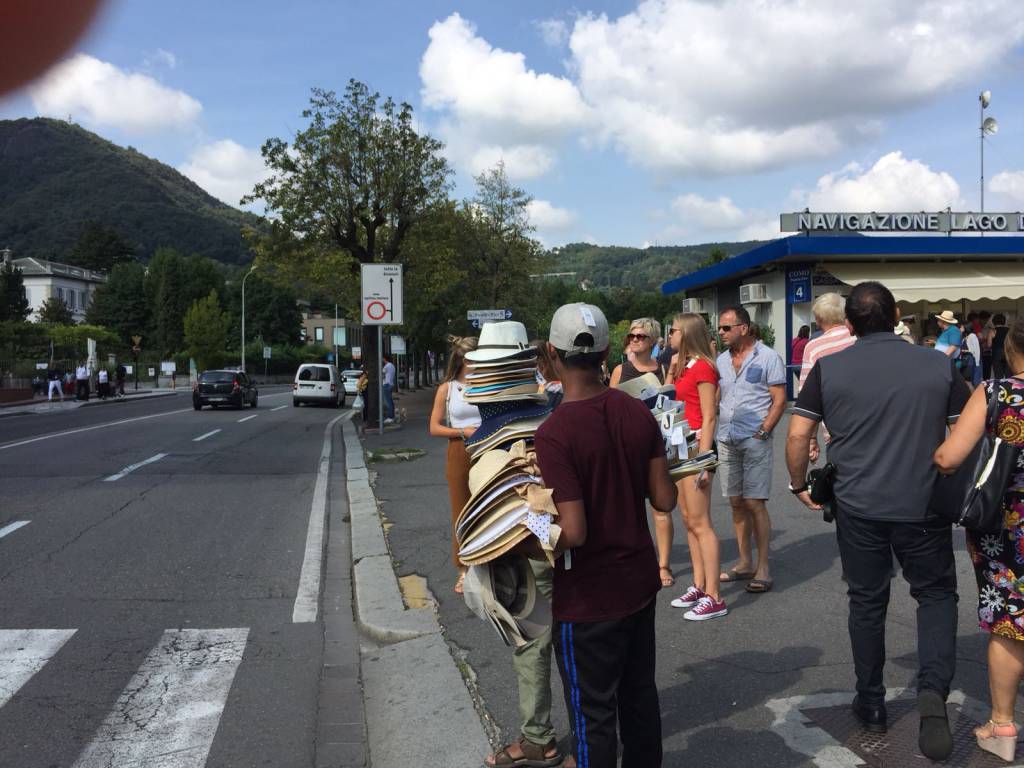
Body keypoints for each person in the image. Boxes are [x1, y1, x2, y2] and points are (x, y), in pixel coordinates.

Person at [787, 281, 970, 762]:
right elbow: (964, 430)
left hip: (858, 503)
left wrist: (798, 484)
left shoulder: (829, 366)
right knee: (934, 594)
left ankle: (870, 702)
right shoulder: (938, 363)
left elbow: (798, 432)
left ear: (850, 324)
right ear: (897, 317)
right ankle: (933, 694)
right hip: (924, 501)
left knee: (866, 601)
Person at [535, 302, 677, 768]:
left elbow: (572, 531)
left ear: (552, 356)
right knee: (640, 698)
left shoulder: (554, 432)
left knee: (593, 714)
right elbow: (665, 499)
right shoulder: (636, 412)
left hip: (588, 599)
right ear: (607, 351)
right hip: (637, 582)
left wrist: (528, 525)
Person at [934, 318, 1024, 762]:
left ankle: (1002, 724)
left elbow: (950, 457)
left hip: (1007, 527)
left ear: (1011, 344)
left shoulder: (997, 393)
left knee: (1010, 619)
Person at [715, 306, 786, 594]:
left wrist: (764, 431)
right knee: (735, 503)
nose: (721, 333)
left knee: (755, 502)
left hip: (754, 438)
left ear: (743, 328)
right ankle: (745, 563)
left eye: (726, 328)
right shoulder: (721, 360)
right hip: (727, 438)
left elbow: (779, 400)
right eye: (719, 328)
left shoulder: (768, 357)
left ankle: (763, 567)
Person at [667, 312, 727, 620]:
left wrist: (704, 460)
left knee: (701, 522)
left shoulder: (704, 367)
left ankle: (715, 596)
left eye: (674, 331)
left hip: (697, 447)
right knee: (689, 520)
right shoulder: (681, 366)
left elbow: (710, 414)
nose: (669, 335)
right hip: (679, 447)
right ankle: (700, 585)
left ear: (688, 333)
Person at [609, 317, 675, 588]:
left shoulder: (663, 369)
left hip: (656, 443)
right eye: (631, 336)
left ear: (653, 341)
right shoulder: (620, 370)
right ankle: (627, 560)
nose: (634, 340)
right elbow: (609, 408)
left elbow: (671, 405)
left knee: (660, 506)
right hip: (624, 444)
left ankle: (663, 565)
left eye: (640, 336)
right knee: (624, 507)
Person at [427, 336, 480, 594]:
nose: (476, 365)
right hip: (459, 449)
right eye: (472, 360)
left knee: (489, 507)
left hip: (487, 447)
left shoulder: (485, 384)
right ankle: (463, 568)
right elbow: (434, 427)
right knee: (461, 509)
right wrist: (461, 432)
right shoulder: (447, 389)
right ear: (461, 360)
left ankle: (488, 563)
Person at [798, 293, 857, 461]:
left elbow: (807, 398)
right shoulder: (859, 337)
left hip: (835, 431)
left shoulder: (814, 347)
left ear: (818, 319)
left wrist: (811, 439)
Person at [991, 313, 1011, 380]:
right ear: (1004, 321)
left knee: (998, 376)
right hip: (1008, 353)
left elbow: (989, 344)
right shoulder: (1009, 330)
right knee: (1009, 375)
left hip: (997, 353)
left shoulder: (993, 331)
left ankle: (1000, 389)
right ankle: (1009, 389)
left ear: (993, 321)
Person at [382, 354, 396, 423]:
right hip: (390, 384)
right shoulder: (392, 366)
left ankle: (390, 417)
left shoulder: (387, 366)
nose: (382, 360)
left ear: (385, 359)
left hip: (386, 384)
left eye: (383, 359)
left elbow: (382, 374)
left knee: (388, 401)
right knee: (390, 401)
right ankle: (392, 416)